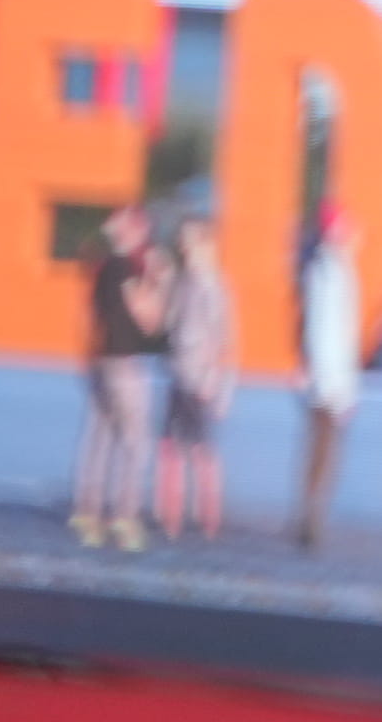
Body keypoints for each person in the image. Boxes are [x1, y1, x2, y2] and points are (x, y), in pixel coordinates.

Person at [71, 200, 163, 548]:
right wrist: (157, 281)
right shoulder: (128, 269)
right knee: (135, 442)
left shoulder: (101, 267)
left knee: (98, 438)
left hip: (98, 360)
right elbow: (148, 319)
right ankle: (125, 517)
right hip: (124, 363)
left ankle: (86, 512)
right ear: (137, 231)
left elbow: (87, 316)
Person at [154, 201, 234, 539]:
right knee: (171, 445)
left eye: (190, 240)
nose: (184, 247)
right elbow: (168, 324)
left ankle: (208, 516)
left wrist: (219, 384)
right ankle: (170, 514)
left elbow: (224, 338)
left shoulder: (214, 286)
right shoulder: (184, 281)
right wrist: (164, 283)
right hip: (179, 372)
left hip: (200, 378)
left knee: (201, 449)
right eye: (182, 240)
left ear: (204, 242)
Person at [294, 201, 367, 549]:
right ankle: (311, 520)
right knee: (323, 452)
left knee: (324, 451)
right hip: (327, 382)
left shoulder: (336, 269)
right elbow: (322, 333)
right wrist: (333, 384)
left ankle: (313, 517)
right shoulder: (326, 273)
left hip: (333, 379)